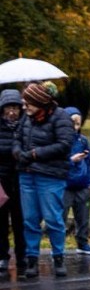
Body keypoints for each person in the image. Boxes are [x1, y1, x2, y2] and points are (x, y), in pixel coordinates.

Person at [13, 82, 75, 278]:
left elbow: (64, 144)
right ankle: (32, 259)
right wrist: (17, 152)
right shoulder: (27, 117)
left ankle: (58, 257)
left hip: (50, 176)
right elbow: (17, 137)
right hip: (26, 174)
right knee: (30, 220)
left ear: (39, 103)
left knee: (53, 219)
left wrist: (35, 154)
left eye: (28, 103)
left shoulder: (61, 117)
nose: (24, 107)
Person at [63, 107, 90, 256]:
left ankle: (82, 243)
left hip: (82, 184)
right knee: (61, 216)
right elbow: (57, 162)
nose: (75, 127)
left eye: (78, 124)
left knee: (83, 217)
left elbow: (89, 162)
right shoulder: (61, 141)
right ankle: (58, 246)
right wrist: (72, 160)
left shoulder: (83, 140)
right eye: (72, 123)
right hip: (65, 185)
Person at [0, 89, 26, 275]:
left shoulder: (25, 126)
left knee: (21, 220)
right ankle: (2, 255)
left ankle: (22, 255)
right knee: (1, 221)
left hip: (20, 180)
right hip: (1, 181)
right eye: (8, 108)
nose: (12, 112)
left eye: (15, 108)